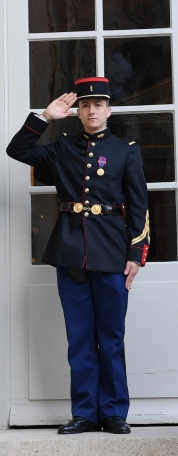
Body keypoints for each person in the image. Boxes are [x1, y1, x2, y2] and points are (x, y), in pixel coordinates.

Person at [6, 77, 150, 435]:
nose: (91, 110)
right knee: (80, 338)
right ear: (78, 112)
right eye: (85, 105)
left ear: (109, 110)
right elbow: (17, 150)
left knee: (111, 338)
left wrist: (136, 253)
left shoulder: (126, 149)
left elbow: (140, 206)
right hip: (71, 251)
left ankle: (114, 412)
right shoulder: (62, 147)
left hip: (114, 253)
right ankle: (85, 412)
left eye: (98, 104)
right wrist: (44, 117)